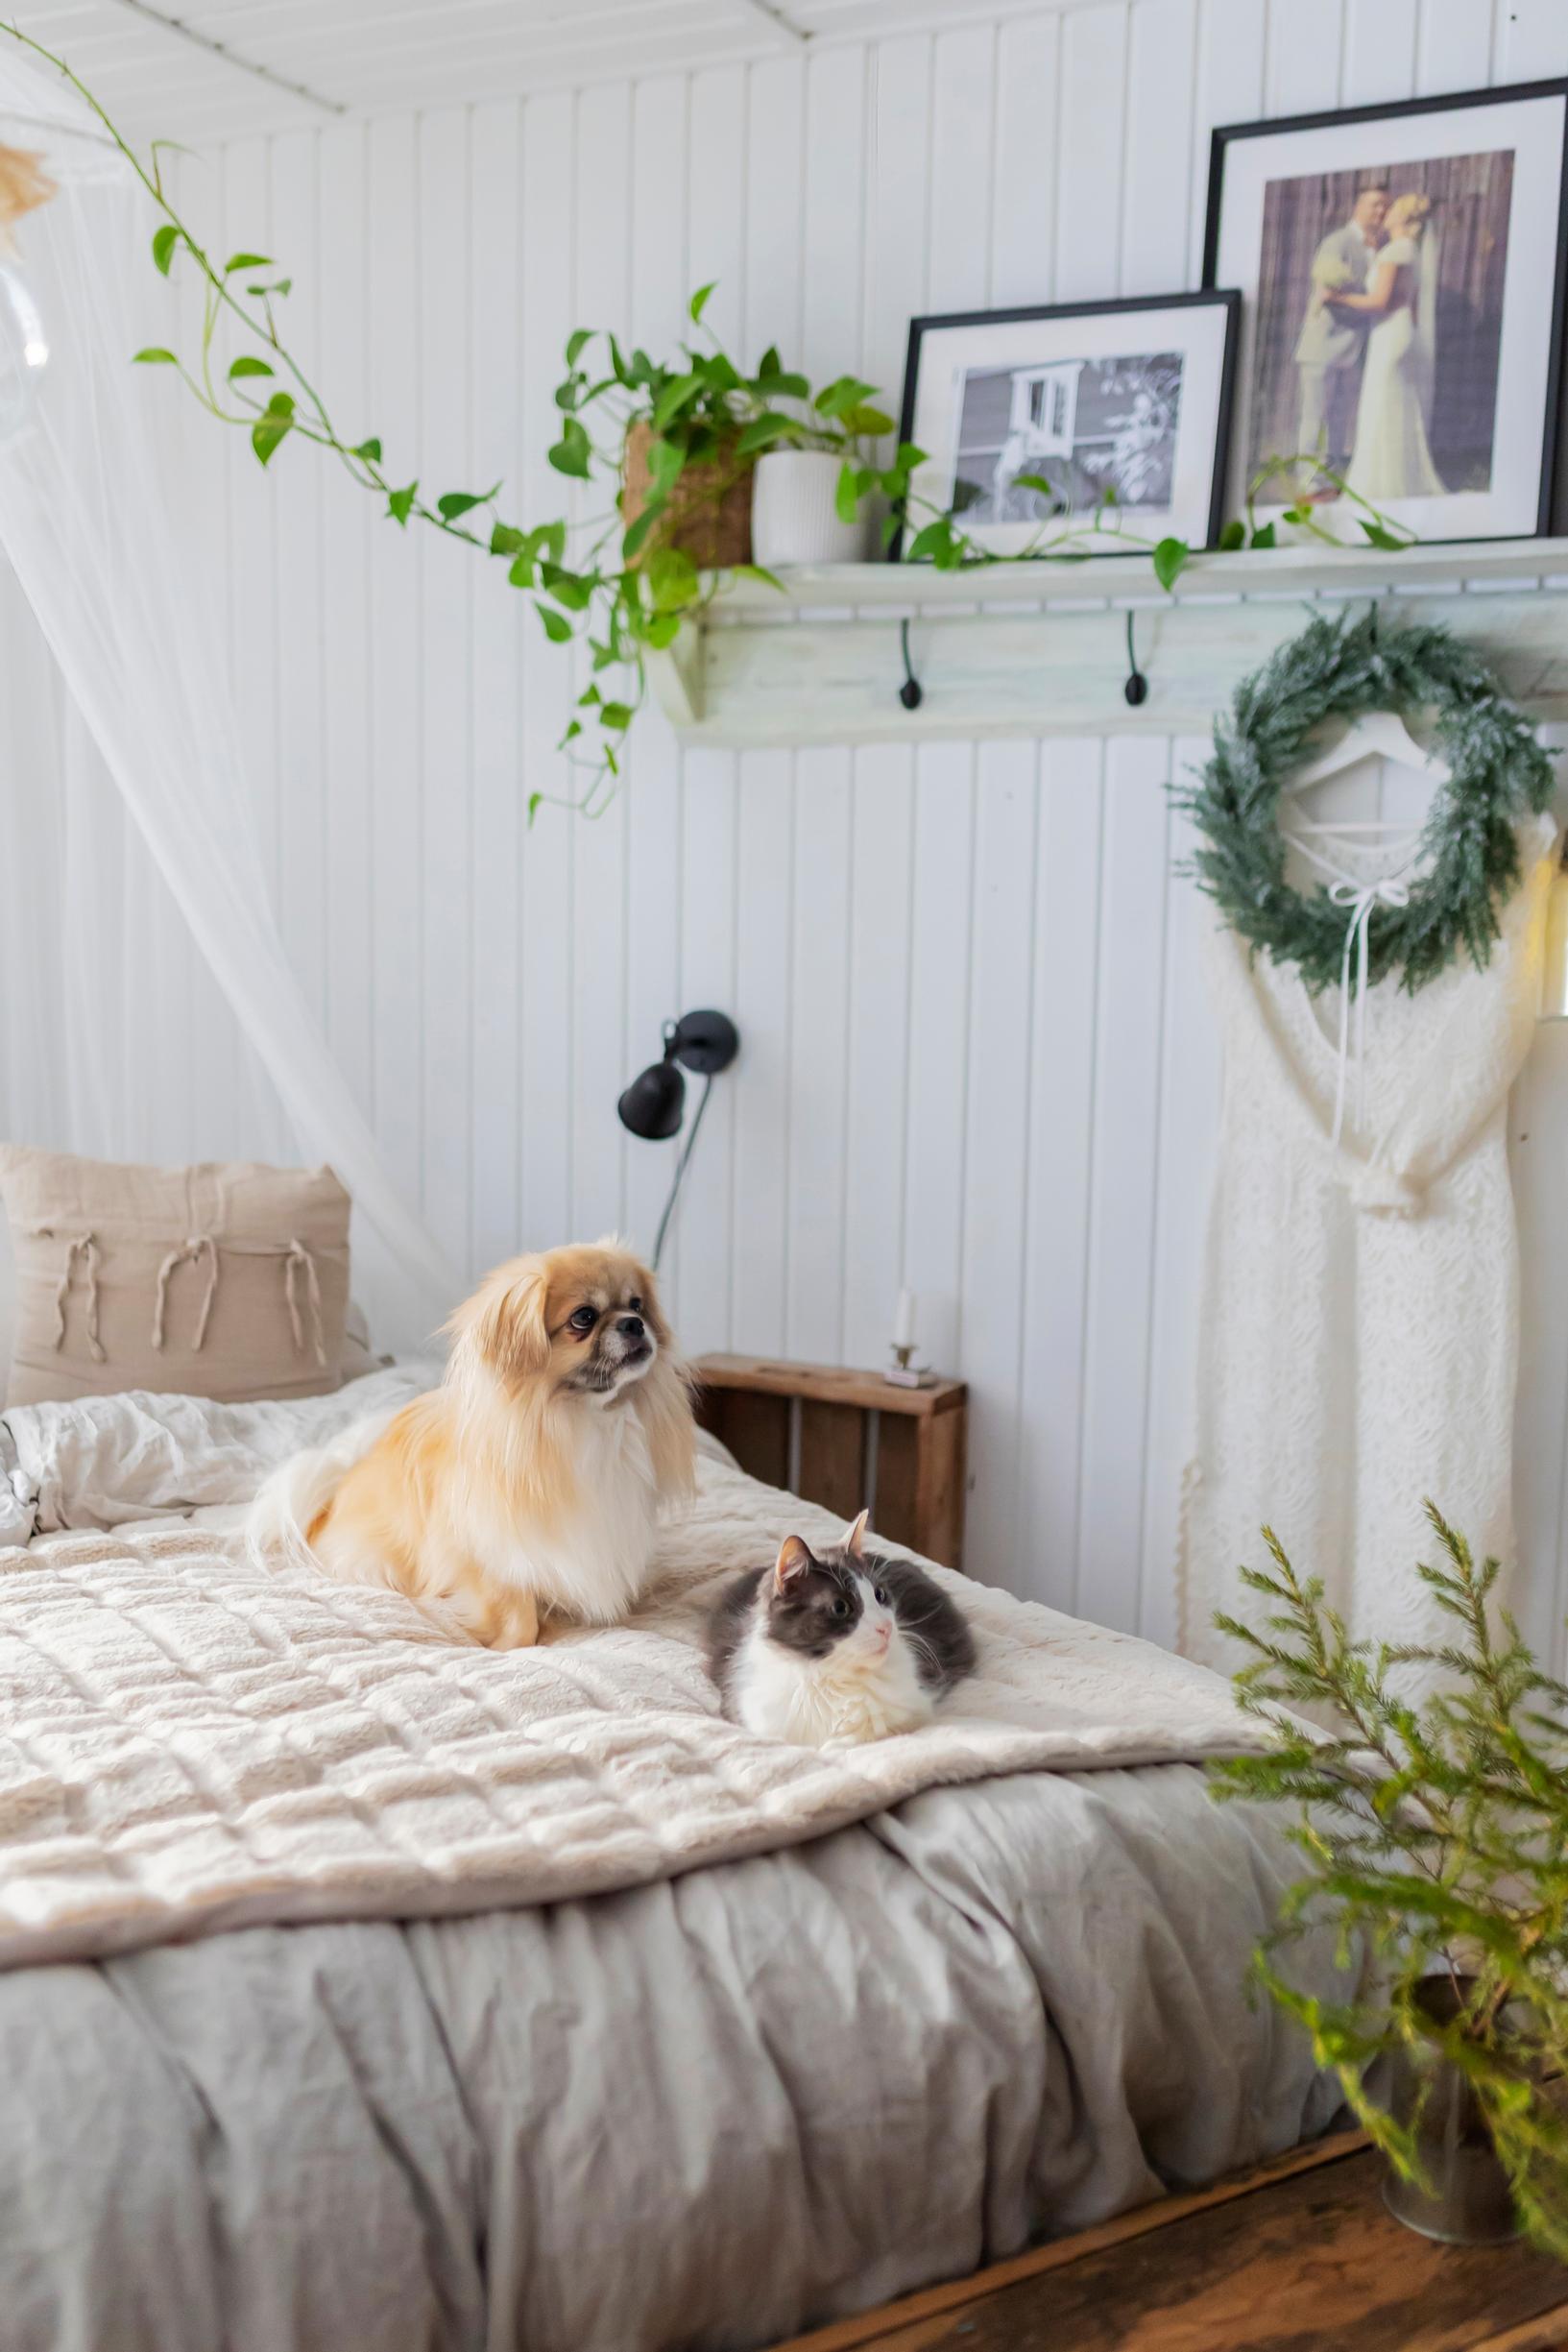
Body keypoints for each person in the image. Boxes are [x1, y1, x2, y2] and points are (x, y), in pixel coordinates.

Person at [1331, 191, 1445, 500]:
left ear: (1402, 217)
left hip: (1390, 333)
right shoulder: (1411, 250)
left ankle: (1382, 484)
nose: (1386, 213)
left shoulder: (1397, 250)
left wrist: (1337, 298)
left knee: (1382, 405)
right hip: (1399, 331)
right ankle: (1395, 478)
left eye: (1392, 209)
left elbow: (1379, 301)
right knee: (1394, 405)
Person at [1291, 183, 1388, 479]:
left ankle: (1331, 473)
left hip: (1354, 345)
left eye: (1385, 206)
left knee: (1340, 415)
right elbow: (1326, 291)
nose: (1381, 211)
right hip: (1325, 342)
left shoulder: (1380, 245)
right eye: (1374, 204)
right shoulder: (1338, 241)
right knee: (1315, 414)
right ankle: (1308, 478)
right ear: (1358, 207)